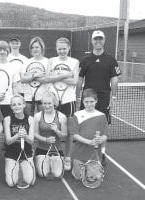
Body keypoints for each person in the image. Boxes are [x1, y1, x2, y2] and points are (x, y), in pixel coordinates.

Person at [76, 30, 121, 165]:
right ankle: (84, 151)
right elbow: (79, 79)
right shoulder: (85, 60)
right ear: (92, 41)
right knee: (84, 125)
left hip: (103, 99)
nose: (98, 41)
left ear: (104, 41)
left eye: (100, 39)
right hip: (87, 99)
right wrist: (77, 96)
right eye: (96, 39)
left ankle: (102, 153)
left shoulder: (111, 60)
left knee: (102, 127)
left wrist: (114, 97)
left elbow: (114, 80)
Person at [47, 37, 79, 171]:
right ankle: (54, 154)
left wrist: (57, 76)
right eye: (59, 49)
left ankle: (68, 158)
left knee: (70, 132)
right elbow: (48, 78)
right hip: (53, 99)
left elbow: (75, 81)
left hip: (68, 100)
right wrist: (67, 75)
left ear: (68, 48)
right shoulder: (51, 61)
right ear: (56, 48)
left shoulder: (75, 62)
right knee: (53, 128)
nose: (62, 51)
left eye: (64, 49)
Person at [69, 88, 108, 181]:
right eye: (86, 102)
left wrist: (101, 139)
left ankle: (92, 168)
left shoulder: (102, 116)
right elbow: (74, 135)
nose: (89, 104)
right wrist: (89, 142)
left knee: (93, 178)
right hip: (79, 154)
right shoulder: (77, 115)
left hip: (94, 155)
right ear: (83, 102)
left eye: (92, 101)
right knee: (79, 178)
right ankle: (76, 168)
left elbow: (105, 135)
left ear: (96, 101)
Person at [4, 95, 35, 189]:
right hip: (11, 155)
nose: (17, 106)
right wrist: (17, 135)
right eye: (14, 105)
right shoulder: (7, 119)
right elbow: (8, 141)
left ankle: (22, 166)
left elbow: (31, 141)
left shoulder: (30, 119)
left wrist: (25, 136)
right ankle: (13, 166)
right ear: (11, 107)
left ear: (24, 105)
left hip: (26, 154)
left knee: (31, 182)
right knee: (11, 183)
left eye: (19, 104)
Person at [34, 91, 67, 178]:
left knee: (58, 174)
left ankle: (53, 161)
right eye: (45, 103)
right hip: (41, 149)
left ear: (54, 103)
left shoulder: (62, 117)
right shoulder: (37, 116)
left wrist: (57, 131)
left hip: (57, 149)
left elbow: (64, 137)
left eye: (49, 103)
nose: (47, 106)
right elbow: (35, 135)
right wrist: (46, 140)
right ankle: (45, 161)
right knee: (43, 174)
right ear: (42, 103)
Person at [20, 36, 49, 116]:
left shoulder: (48, 62)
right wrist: (37, 75)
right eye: (32, 47)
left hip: (43, 97)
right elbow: (23, 79)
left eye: (37, 47)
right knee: (29, 122)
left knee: (43, 121)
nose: (34, 49)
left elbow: (47, 80)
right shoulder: (26, 62)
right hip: (28, 97)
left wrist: (30, 76)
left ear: (42, 48)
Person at [8, 34, 28, 102]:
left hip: (23, 90)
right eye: (13, 43)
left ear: (20, 44)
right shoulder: (6, 58)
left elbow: (26, 75)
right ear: (9, 44)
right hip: (10, 90)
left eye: (16, 43)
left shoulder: (25, 59)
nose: (14, 45)